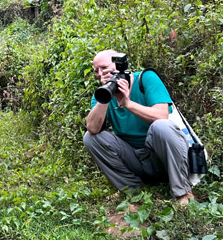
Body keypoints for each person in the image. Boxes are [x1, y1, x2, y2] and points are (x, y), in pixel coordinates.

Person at [83, 49, 195, 205]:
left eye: (104, 68)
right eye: (96, 71)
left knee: (161, 126)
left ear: (119, 65)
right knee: (90, 138)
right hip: (134, 158)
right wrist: (106, 97)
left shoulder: (146, 78)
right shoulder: (102, 95)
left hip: (162, 155)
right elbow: (93, 128)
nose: (100, 74)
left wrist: (127, 104)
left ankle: (183, 192)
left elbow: (161, 116)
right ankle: (133, 191)